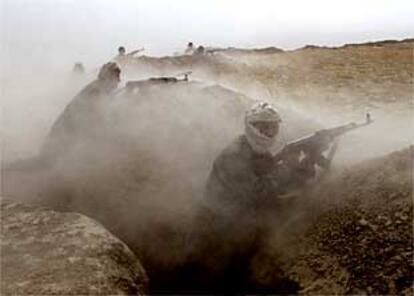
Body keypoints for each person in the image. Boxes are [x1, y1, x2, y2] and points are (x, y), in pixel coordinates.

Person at [186, 101, 312, 293]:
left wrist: (300, 171)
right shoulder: (234, 156)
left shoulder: (259, 153)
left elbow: (275, 180)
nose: (270, 132)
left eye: (273, 127)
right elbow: (259, 193)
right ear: (252, 127)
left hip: (238, 233)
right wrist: (293, 171)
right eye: (264, 127)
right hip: (214, 239)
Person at [41, 62, 121, 161]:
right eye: (116, 76)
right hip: (61, 145)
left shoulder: (100, 89)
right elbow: (99, 124)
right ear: (107, 77)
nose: (119, 80)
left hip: (66, 143)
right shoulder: (96, 92)